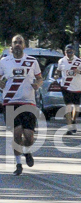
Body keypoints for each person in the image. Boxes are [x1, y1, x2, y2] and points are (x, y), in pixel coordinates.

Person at [0, 34, 43, 175]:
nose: (17, 44)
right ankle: (18, 164)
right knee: (17, 133)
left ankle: (27, 151)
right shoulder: (4, 61)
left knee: (29, 137)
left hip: (28, 102)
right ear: (11, 46)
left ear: (24, 45)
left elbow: (39, 78)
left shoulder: (32, 61)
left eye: (20, 42)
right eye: (15, 42)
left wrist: (37, 84)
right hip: (10, 102)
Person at [56, 44, 81, 134]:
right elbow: (58, 70)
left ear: (74, 52)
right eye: (67, 52)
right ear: (64, 52)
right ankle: (69, 127)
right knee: (68, 106)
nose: (69, 54)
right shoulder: (61, 61)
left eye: (71, 52)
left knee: (76, 107)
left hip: (77, 87)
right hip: (65, 87)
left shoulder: (80, 62)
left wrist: (79, 72)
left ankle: (74, 121)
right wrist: (56, 75)